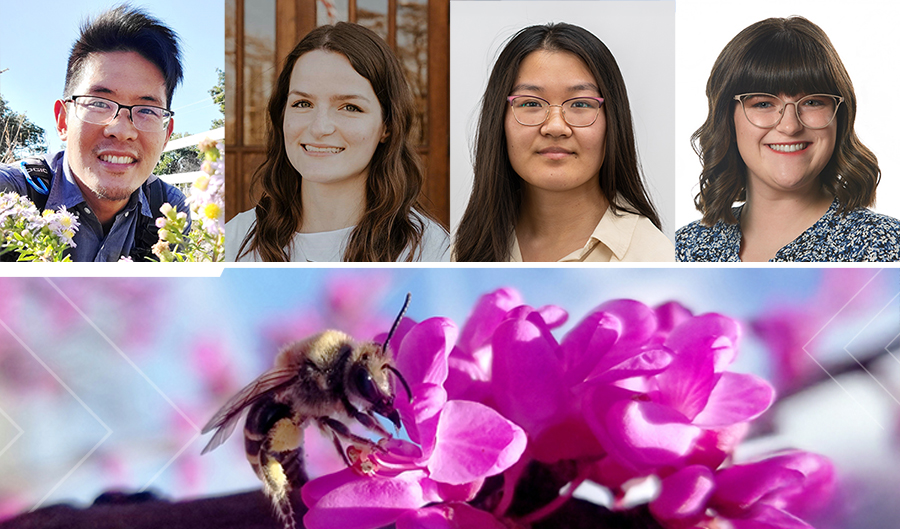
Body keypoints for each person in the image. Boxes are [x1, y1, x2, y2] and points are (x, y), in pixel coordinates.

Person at [677, 16, 900, 262]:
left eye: (812, 102)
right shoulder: (684, 248)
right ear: (727, 119)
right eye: (763, 103)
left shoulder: (886, 246)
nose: (790, 126)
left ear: (840, 117)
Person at [227, 22, 449, 262]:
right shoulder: (234, 239)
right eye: (303, 104)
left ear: (388, 125)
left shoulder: (431, 250)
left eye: (350, 107)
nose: (320, 128)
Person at [452, 23, 673, 262]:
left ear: (613, 121)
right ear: (498, 120)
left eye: (580, 104)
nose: (555, 127)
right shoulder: (466, 250)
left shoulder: (655, 257)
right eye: (531, 103)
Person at [0, 4, 190, 262]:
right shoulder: (11, 197)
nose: (122, 131)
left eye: (146, 109)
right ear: (63, 120)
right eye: (99, 103)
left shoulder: (169, 212)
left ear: (167, 133)